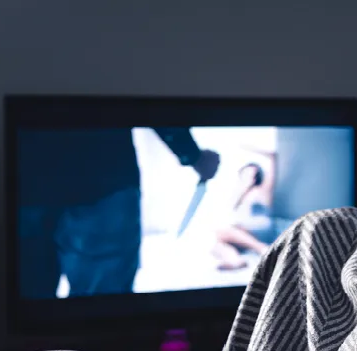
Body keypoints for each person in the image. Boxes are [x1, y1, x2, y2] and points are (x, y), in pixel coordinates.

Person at [18, 127, 220, 299]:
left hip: (26, 181)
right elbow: (151, 97)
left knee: (29, 306)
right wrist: (193, 155)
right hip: (101, 178)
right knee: (101, 309)